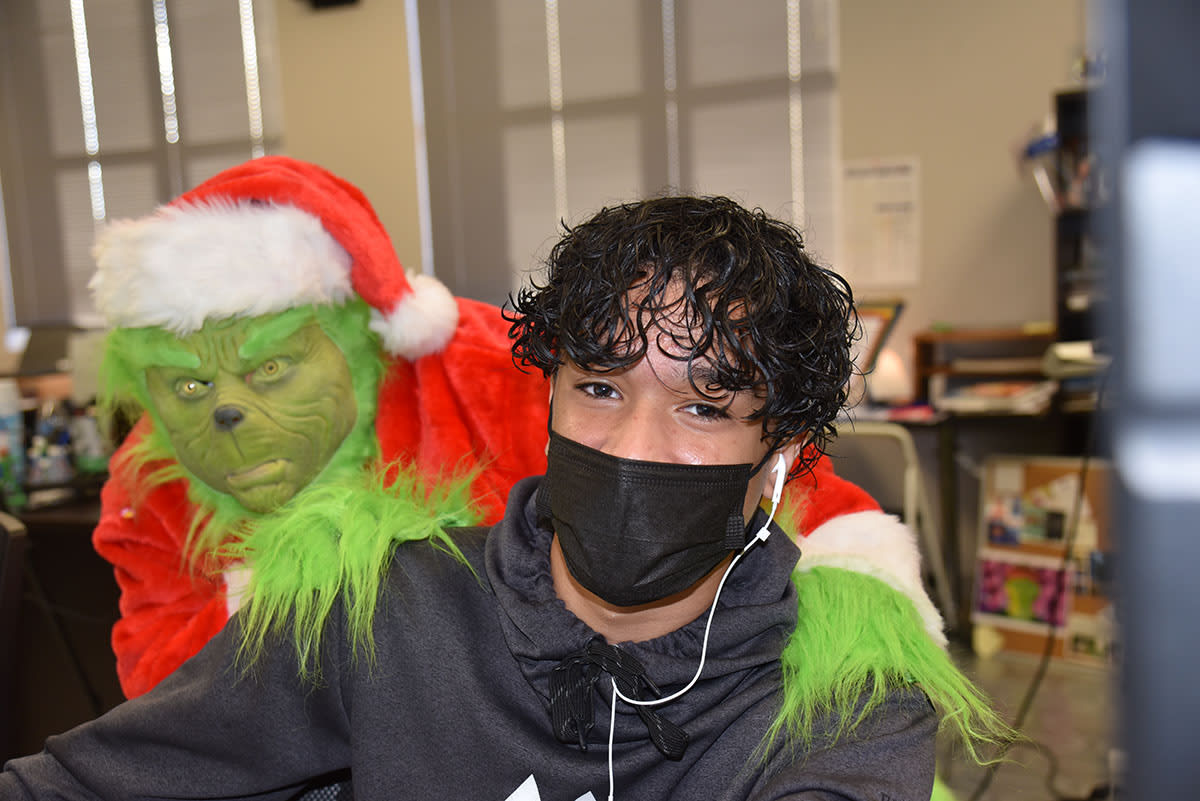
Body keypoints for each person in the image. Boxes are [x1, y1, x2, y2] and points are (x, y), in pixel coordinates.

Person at [1, 195, 1005, 801]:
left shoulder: (850, 700)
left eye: (703, 408)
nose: (632, 444)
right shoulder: (380, 609)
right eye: (600, 388)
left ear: (777, 454)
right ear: (549, 397)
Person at [86, 157, 883, 702]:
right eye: (188, 385)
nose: (223, 409)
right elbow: (162, 700)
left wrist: (863, 588)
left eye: (270, 368)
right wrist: (279, 613)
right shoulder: (152, 482)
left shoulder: (476, 369)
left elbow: (753, 451)